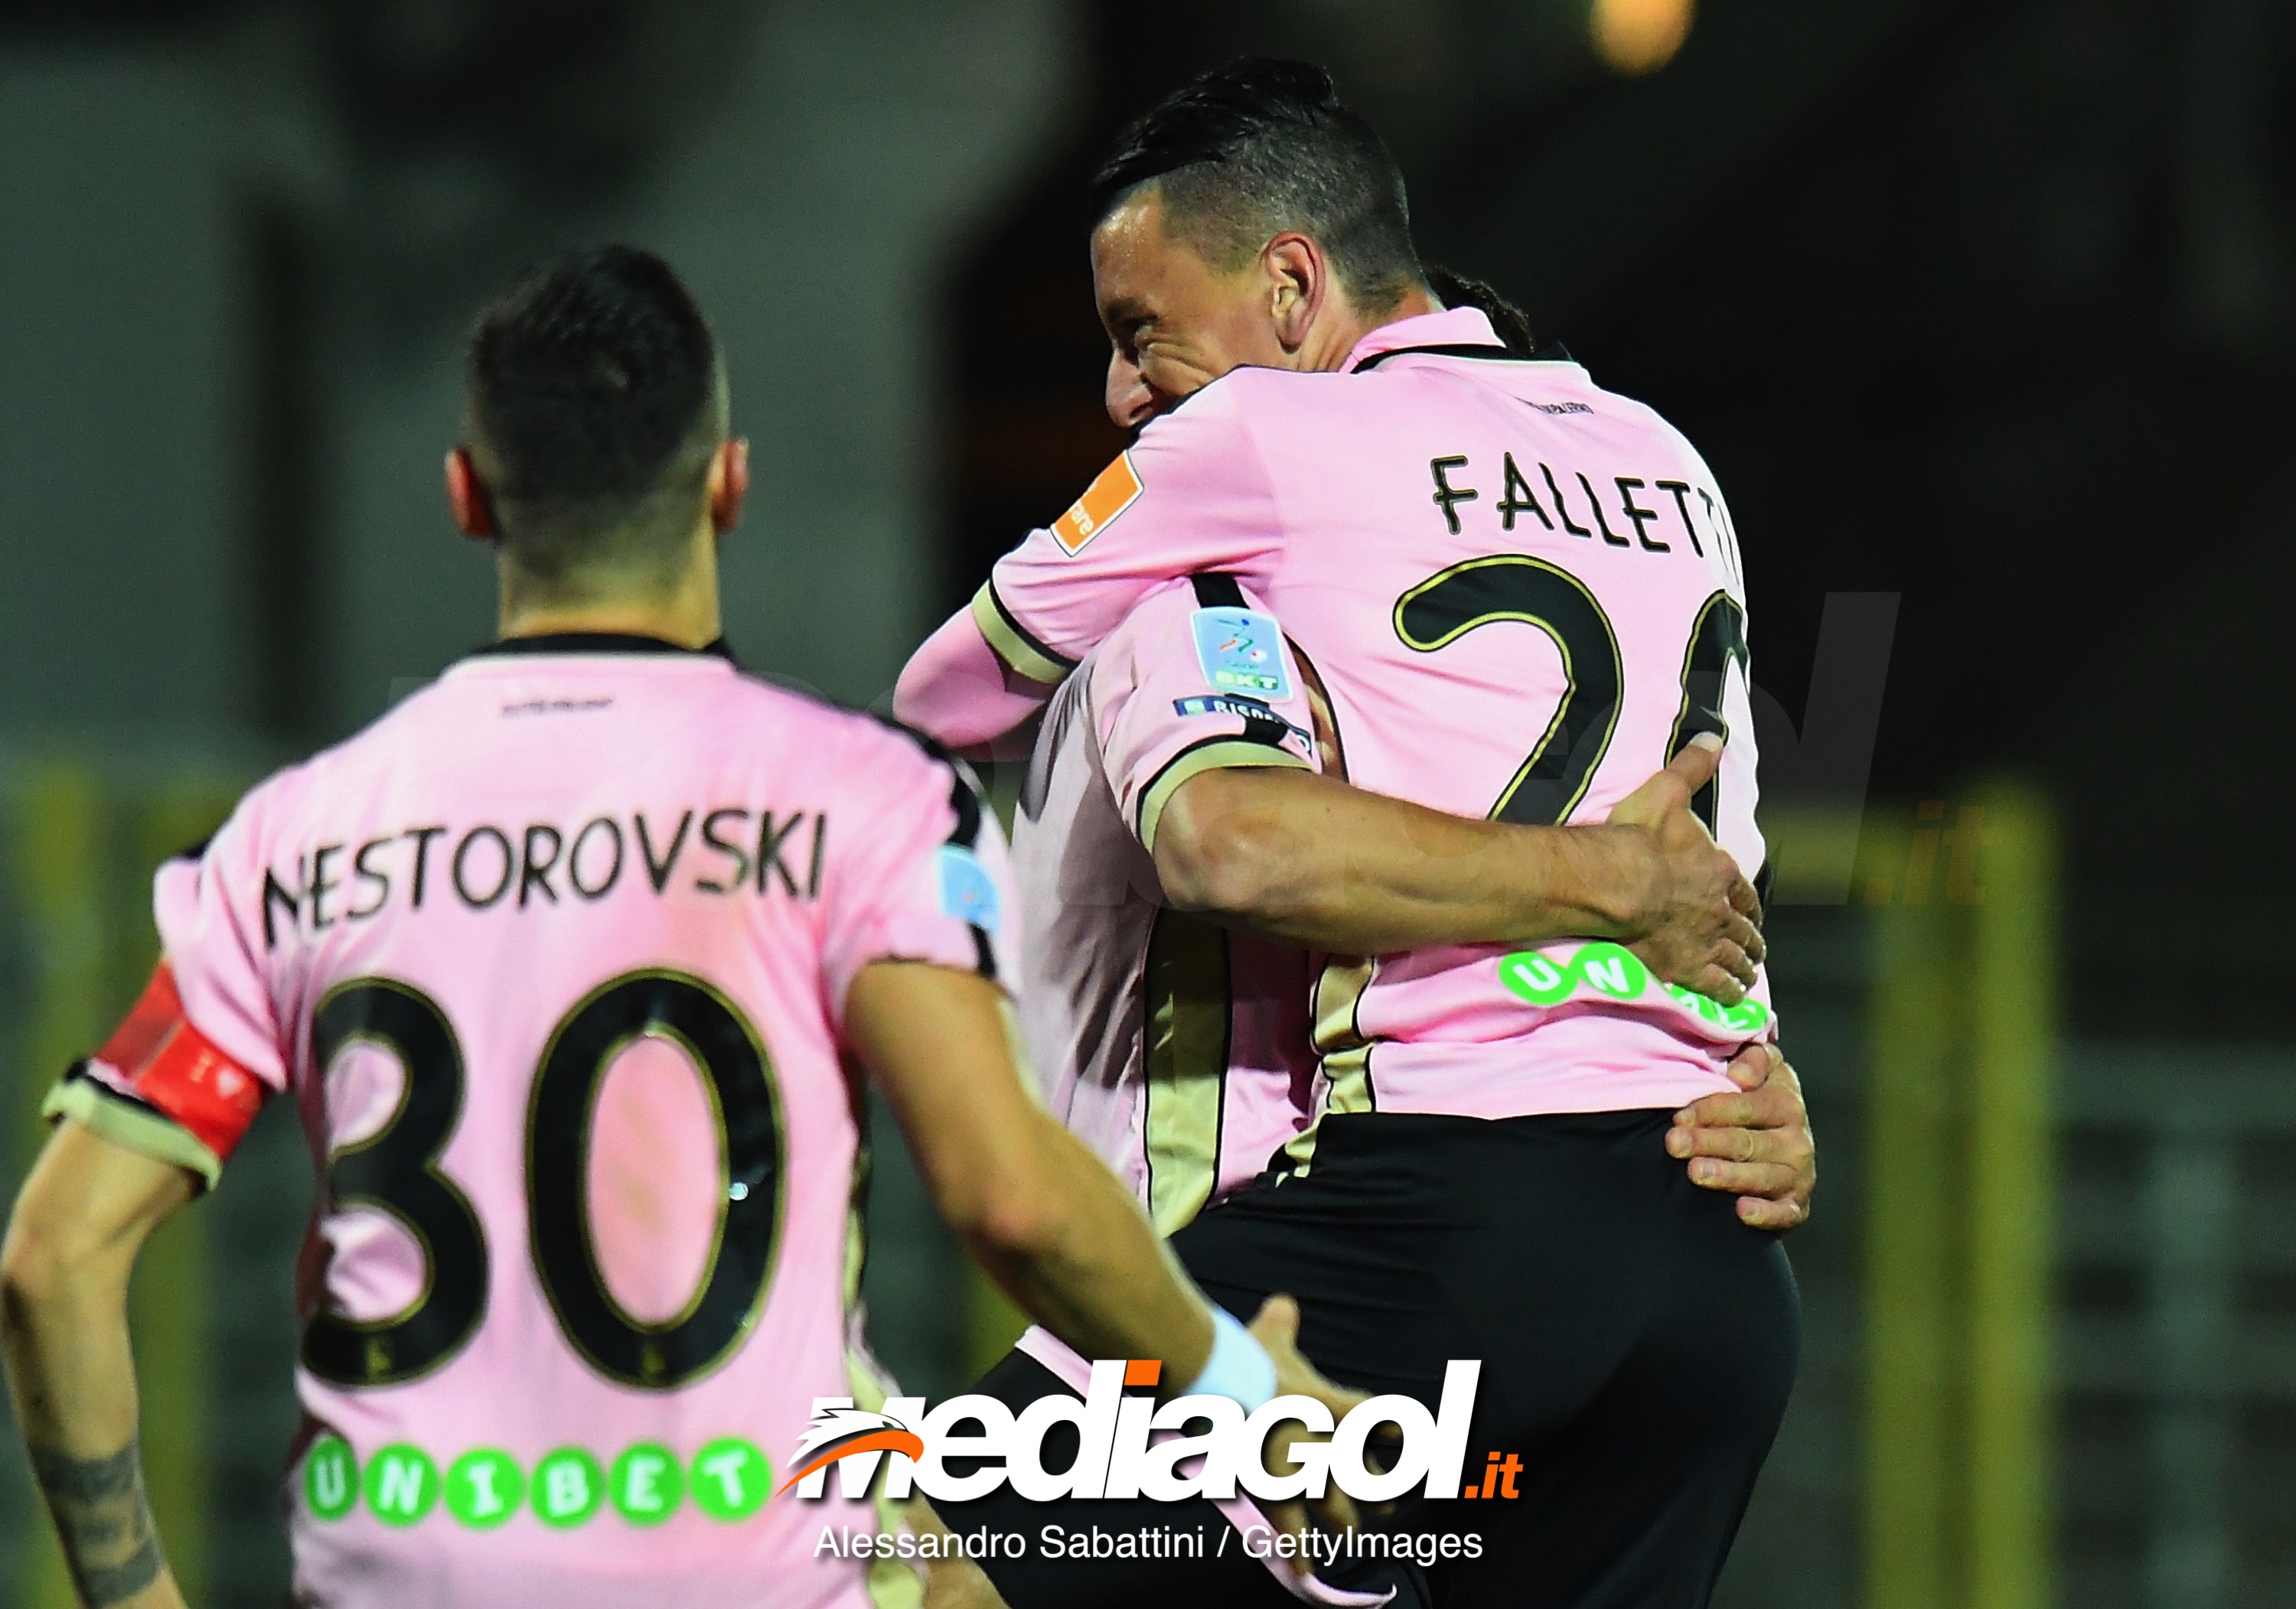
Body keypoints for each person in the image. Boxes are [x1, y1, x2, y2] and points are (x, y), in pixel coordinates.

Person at [0, 246, 1358, 1609]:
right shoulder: (860, 800)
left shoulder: (292, 837)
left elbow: (54, 1262)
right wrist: (1249, 1388)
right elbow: (1011, 1200)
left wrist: (132, 1599)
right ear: (728, 485)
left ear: (470, 497)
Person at [897, 60, 1808, 1607]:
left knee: (888, 1561)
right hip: (1722, 1255)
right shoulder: (1671, 462)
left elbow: (950, 692)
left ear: (1294, 288)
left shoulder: (1250, 461)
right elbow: (1702, 855)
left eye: (1139, 333)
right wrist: (1761, 1067)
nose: (1123, 395)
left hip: (1437, 1227)